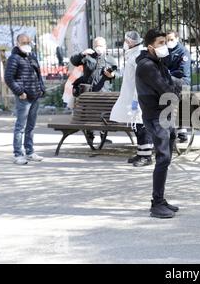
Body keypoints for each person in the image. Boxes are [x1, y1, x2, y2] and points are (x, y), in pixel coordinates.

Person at [136, 28, 181, 219]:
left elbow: (171, 85)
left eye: (165, 42)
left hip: (164, 114)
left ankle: (161, 200)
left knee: (167, 158)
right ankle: (156, 204)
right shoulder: (147, 66)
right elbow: (166, 89)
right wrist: (175, 89)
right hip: (155, 116)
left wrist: (174, 88)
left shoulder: (158, 62)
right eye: (160, 43)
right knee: (163, 158)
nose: (165, 46)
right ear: (150, 47)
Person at [110, 31, 153, 167]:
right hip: (132, 96)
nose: (125, 43)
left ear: (130, 42)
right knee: (136, 126)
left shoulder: (138, 55)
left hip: (138, 96)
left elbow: (139, 79)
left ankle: (146, 156)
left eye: (126, 41)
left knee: (141, 126)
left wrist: (136, 98)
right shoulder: (133, 54)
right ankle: (141, 152)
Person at [4, 34, 46, 165]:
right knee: (20, 127)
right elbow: (8, 78)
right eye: (23, 42)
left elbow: (38, 75)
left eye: (28, 42)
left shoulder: (32, 57)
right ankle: (18, 154)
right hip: (24, 97)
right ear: (17, 43)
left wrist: (42, 89)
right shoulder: (14, 58)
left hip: (35, 96)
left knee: (31, 126)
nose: (26, 44)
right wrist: (20, 92)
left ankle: (30, 152)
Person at [70, 37, 117, 143]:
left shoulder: (110, 59)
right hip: (88, 92)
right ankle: (89, 135)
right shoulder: (88, 57)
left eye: (101, 45)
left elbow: (117, 73)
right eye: (96, 45)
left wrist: (112, 75)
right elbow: (74, 61)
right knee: (89, 114)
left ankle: (103, 136)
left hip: (103, 91)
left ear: (105, 46)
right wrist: (82, 53)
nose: (98, 47)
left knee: (103, 114)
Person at [163, 30, 191, 143]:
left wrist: (168, 74)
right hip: (170, 81)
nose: (169, 42)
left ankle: (182, 131)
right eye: (167, 40)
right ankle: (170, 128)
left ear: (177, 39)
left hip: (182, 81)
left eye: (171, 39)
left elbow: (181, 70)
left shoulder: (183, 51)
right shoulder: (165, 51)